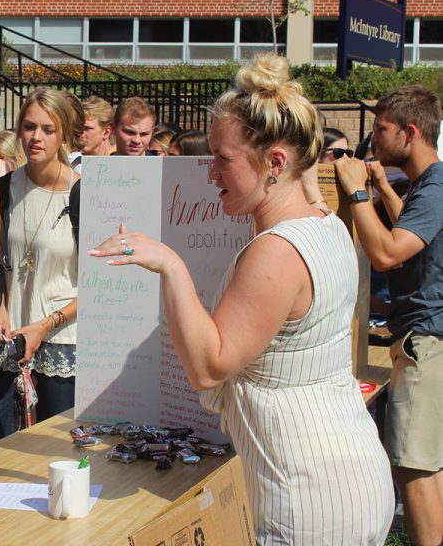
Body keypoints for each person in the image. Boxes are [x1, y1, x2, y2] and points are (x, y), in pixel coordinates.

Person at [91, 53, 394, 544]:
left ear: (275, 163)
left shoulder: (276, 253)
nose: (209, 173)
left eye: (222, 159)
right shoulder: (326, 225)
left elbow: (210, 366)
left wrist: (169, 263)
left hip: (305, 499)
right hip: (348, 475)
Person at [335, 86, 442, 546]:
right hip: (426, 340)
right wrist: (380, 188)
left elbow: (386, 254)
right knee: (428, 464)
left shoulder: (434, 187)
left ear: (410, 132)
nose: (373, 139)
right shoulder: (427, 186)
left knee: (413, 466)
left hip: (425, 344)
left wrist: (357, 191)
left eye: (380, 129)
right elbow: (414, 234)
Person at [0, 88, 82, 440]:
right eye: (29, 127)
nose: (36, 137)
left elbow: (100, 288)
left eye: (48, 129)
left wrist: (47, 324)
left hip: (62, 340)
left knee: (60, 452)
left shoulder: (83, 193)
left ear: (64, 135)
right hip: (8, 341)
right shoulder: (2, 189)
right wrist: (3, 307)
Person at [71, 95, 113, 171]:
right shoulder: (73, 163)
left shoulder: (122, 162)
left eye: (87, 129)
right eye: (79, 128)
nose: (80, 134)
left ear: (106, 132)